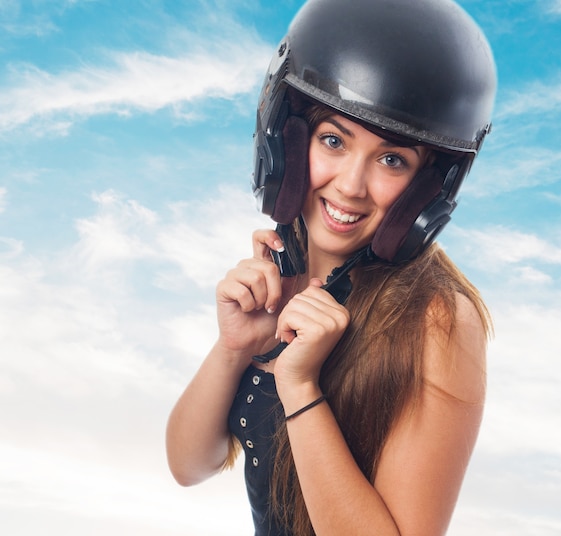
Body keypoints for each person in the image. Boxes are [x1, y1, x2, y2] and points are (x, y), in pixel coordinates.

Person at [166, 0, 497, 534]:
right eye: (333, 140)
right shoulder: (280, 277)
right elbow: (189, 465)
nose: (349, 184)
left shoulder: (436, 317)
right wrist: (235, 347)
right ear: (288, 144)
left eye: (392, 159)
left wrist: (300, 387)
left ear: (426, 190)